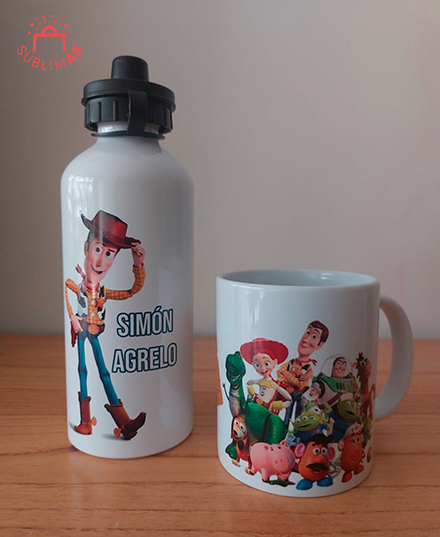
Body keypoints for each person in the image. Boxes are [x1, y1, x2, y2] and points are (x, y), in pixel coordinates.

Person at [65, 210, 146, 440]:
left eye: (109, 254)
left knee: (104, 373)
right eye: (98, 249)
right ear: (86, 248)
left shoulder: (103, 291)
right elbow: (67, 286)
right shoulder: (78, 286)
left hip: (94, 331)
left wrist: (138, 264)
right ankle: (85, 422)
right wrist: (72, 317)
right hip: (82, 330)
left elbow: (132, 291)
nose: (101, 261)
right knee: (82, 370)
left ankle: (125, 423)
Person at [277, 321, 329, 427]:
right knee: (287, 414)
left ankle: (297, 431)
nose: (305, 339)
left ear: (319, 345)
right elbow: (280, 372)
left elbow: (304, 381)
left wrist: (289, 377)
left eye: (314, 336)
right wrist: (288, 383)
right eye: (307, 332)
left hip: (302, 395)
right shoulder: (291, 363)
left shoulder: (309, 368)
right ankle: (284, 431)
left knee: (299, 415)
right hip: (290, 394)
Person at [240, 338, 291, 414]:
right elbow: (248, 383)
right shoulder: (260, 382)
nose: (262, 368)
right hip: (257, 404)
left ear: (275, 362)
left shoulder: (274, 385)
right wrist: (253, 394)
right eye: (257, 365)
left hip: (267, 409)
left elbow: (289, 399)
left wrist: (275, 405)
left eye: (266, 363)